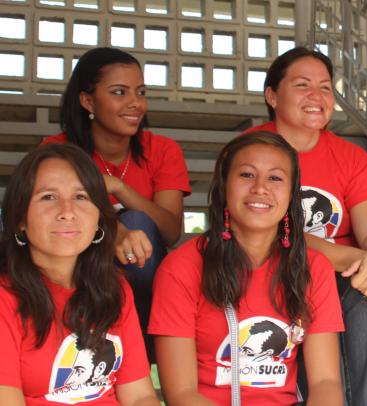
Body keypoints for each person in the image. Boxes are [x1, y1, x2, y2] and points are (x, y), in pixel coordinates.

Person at [243, 47, 367, 406]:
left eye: (326, 87)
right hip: (277, 274)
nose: (317, 96)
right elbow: (269, 233)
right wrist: (364, 261)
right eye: (302, 85)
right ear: (272, 96)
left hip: (346, 276)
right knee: (349, 278)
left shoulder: (353, 158)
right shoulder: (247, 152)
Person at [149, 131, 344, 406]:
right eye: (247, 175)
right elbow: (181, 394)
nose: (260, 188)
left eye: (275, 178)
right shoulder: (180, 269)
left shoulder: (313, 268)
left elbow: (326, 382)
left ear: (291, 195)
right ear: (224, 186)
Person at [40, 47, 191, 360]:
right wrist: (113, 229)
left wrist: (119, 188)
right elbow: (49, 219)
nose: (135, 103)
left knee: (138, 223)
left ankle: (140, 347)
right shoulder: (57, 152)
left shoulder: (162, 149)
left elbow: (170, 232)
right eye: (119, 92)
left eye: (140, 92)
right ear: (87, 101)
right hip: (80, 266)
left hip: (141, 276)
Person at [0, 143, 160, 406]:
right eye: (48, 197)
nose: (67, 212)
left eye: (81, 197)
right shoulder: (5, 296)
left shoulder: (115, 288)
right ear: (20, 218)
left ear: (99, 217)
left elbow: (139, 396)